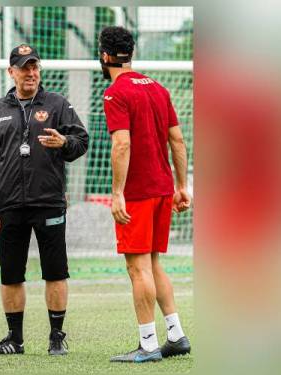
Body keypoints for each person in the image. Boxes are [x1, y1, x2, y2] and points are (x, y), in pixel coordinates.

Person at [0, 44, 88, 356]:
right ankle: (15, 339)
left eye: (34, 67)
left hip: (49, 202)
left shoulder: (57, 104)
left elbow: (82, 141)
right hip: (10, 204)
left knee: (55, 271)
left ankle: (56, 338)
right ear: (11, 72)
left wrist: (64, 142)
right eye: (24, 68)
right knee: (11, 274)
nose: (31, 73)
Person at [98, 26, 192, 363]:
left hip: (137, 193)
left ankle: (149, 344)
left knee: (138, 268)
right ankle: (177, 335)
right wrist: (183, 186)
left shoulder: (115, 92)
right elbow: (177, 141)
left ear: (105, 55)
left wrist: (117, 193)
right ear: (131, 53)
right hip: (164, 189)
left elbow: (122, 142)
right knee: (152, 262)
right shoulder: (158, 89)